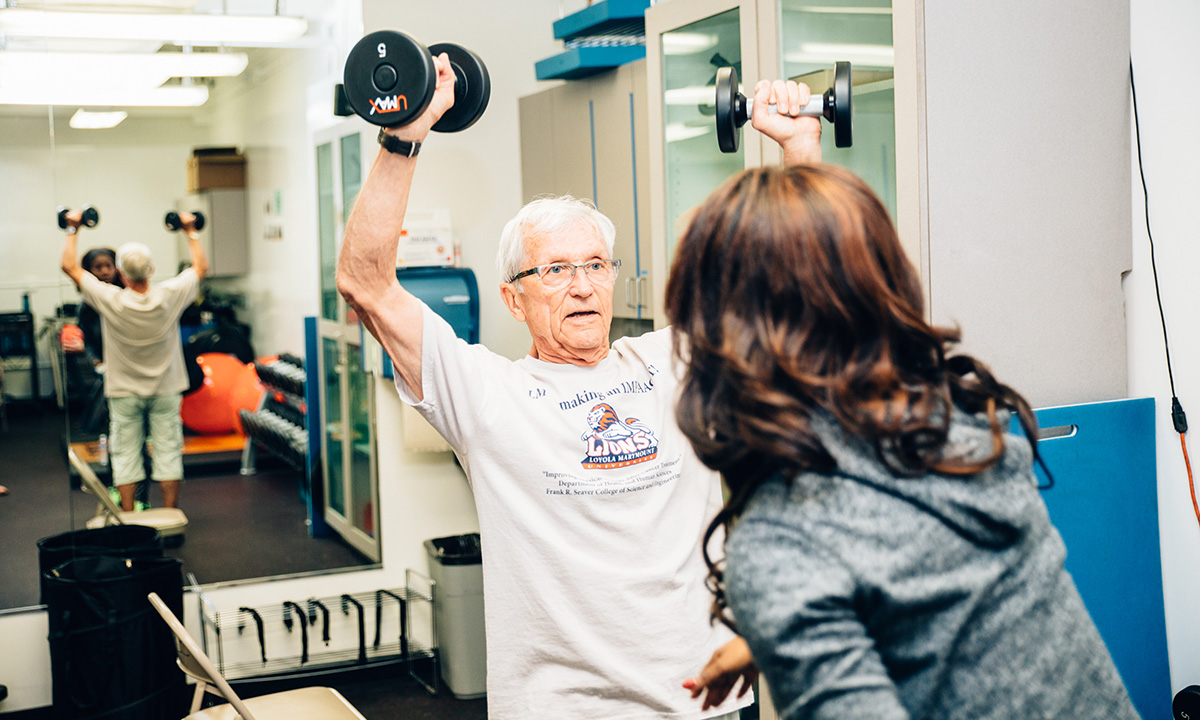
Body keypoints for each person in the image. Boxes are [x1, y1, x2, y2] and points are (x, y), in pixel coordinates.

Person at [337, 52, 818, 718]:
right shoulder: (484, 394)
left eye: (595, 264)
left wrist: (800, 148)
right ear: (513, 299)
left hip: (700, 702)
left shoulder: (676, 362)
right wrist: (403, 135)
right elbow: (366, 283)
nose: (583, 285)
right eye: (556, 270)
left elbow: (800, 288)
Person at [663, 147, 1140, 715]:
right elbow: (937, 606)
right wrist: (794, 634)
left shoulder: (785, 545)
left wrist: (789, 615)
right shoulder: (952, 429)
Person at [60, 211, 207, 511]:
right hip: (165, 389)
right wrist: (190, 230)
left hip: (124, 392)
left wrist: (73, 228)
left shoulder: (111, 298)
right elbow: (201, 267)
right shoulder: (170, 294)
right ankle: (169, 513)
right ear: (151, 269)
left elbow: (69, 267)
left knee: (125, 455)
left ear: (121, 274)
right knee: (168, 452)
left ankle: (129, 518)